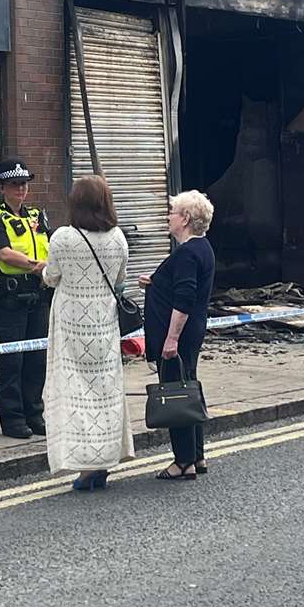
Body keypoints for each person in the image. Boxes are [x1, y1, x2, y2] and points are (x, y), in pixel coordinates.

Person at [41, 175, 135, 491]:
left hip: (70, 323)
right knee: (105, 391)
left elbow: (52, 276)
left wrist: (39, 269)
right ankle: (105, 461)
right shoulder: (118, 238)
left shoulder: (63, 238)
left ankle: (82, 464)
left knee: (72, 392)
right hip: (104, 323)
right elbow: (121, 280)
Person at [139, 190, 216, 482]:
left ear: (184, 219)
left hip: (178, 338)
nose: (168, 217)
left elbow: (184, 297)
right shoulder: (202, 248)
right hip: (192, 333)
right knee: (189, 388)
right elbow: (181, 285)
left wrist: (171, 340)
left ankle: (182, 462)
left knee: (176, 394)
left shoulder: (186, 253)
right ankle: (197, 455)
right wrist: (156, 280)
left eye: (172, 212)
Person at [0, 159, 51, 440]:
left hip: (38, 293)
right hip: (11, 296)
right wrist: (37, 266)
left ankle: (34, 413)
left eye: (24, 184)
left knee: (36, 358)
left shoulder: (37, 216)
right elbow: (4, 253)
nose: (21, 189)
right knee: (12, 360)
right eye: (14, 185)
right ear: (2, 188)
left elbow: (51, 242)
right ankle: (12, 419)